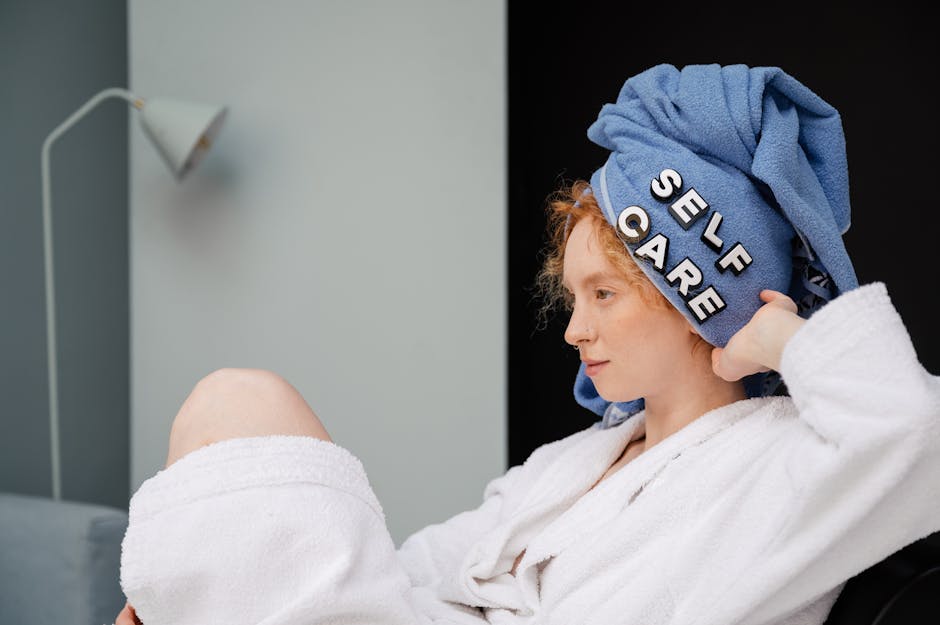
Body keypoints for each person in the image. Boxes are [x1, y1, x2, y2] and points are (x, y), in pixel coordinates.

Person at [115, 63, 940, 625]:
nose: (576, 328)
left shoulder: (780, 467)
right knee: (231, 404)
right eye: (574, 297)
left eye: (604, 294)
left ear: (699, 302)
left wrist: (782, 336)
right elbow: (416, 565)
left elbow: (914, 432)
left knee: (242, 399)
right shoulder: (575, 462)